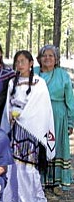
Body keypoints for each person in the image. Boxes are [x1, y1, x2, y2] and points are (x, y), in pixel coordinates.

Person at [1, 50, 56, 202]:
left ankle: (30, 198)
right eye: (17, 62)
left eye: (23, 61)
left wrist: (23, 116)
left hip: (32, 130)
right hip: (15, 129)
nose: (20, 64)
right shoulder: (13, 82)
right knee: (15, 165)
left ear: (31, 63)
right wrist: (11, 115)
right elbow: (8, 104)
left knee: (28, 166)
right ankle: (13, 196)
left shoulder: (39, 83)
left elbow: (41, 107)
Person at [35, 45, 74, 194]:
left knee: (56, 146)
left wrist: (70, 121)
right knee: (40, 147)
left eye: (51, 55)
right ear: (39, 58)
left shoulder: (63, 75)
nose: (48, 58)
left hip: (58, 115)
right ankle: (41, 181)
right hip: (38, 115)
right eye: (45, 55)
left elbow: (70, 100)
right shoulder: (34, 72)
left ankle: (56, 182)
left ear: (56, 59)